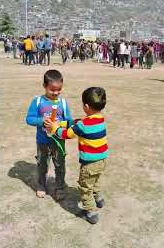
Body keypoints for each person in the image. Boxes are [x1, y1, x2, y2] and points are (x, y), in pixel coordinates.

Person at [46, 87, 109, 225]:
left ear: (86, 106)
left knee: (85, 187)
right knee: (95, 180)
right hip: (102, 160)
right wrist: (60, 123)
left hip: (90, 163)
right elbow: (76, 123)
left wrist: (54, 128)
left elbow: (66, 134)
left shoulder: (83, 125)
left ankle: (91, 212)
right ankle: (98, 199)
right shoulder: (100, 118)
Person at [25, 70, 73, 200]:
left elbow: (69, 121)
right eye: (52, 90)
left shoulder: (63, 103)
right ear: (44, 86)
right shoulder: (38, 101)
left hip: (58, 141)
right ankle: (41, 185)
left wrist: (61, 124)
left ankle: (59, 186)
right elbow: (29, 119)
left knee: (60, 165)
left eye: (59, 89)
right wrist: (41, 121)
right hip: (42, 141)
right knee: (42, 164)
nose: (56, 93)